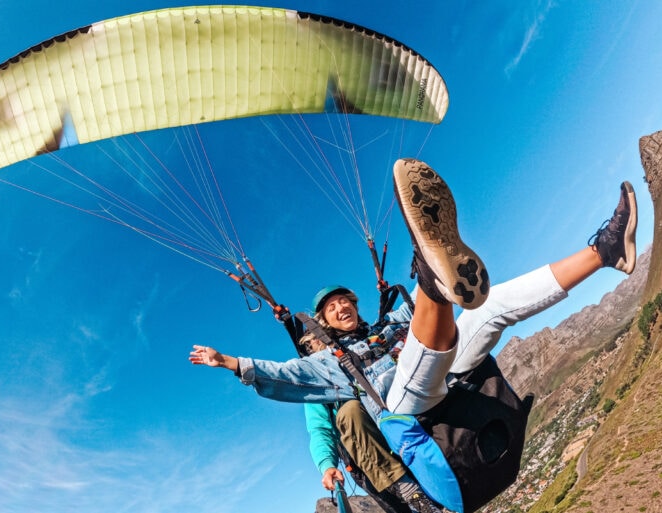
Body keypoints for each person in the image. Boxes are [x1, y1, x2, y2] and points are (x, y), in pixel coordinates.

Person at [189, 158, 638, 512]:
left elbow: (439, 323)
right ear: (323, 321)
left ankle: (604, 251)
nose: (341, 307)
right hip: (405, 413)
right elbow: (285, 376)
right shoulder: (331, 364)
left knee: (490, 309)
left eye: (345, 300)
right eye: (331, 307)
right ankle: (430, 273)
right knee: (417, 361)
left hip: (451, 381)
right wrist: (230, 363)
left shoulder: (391, 320)